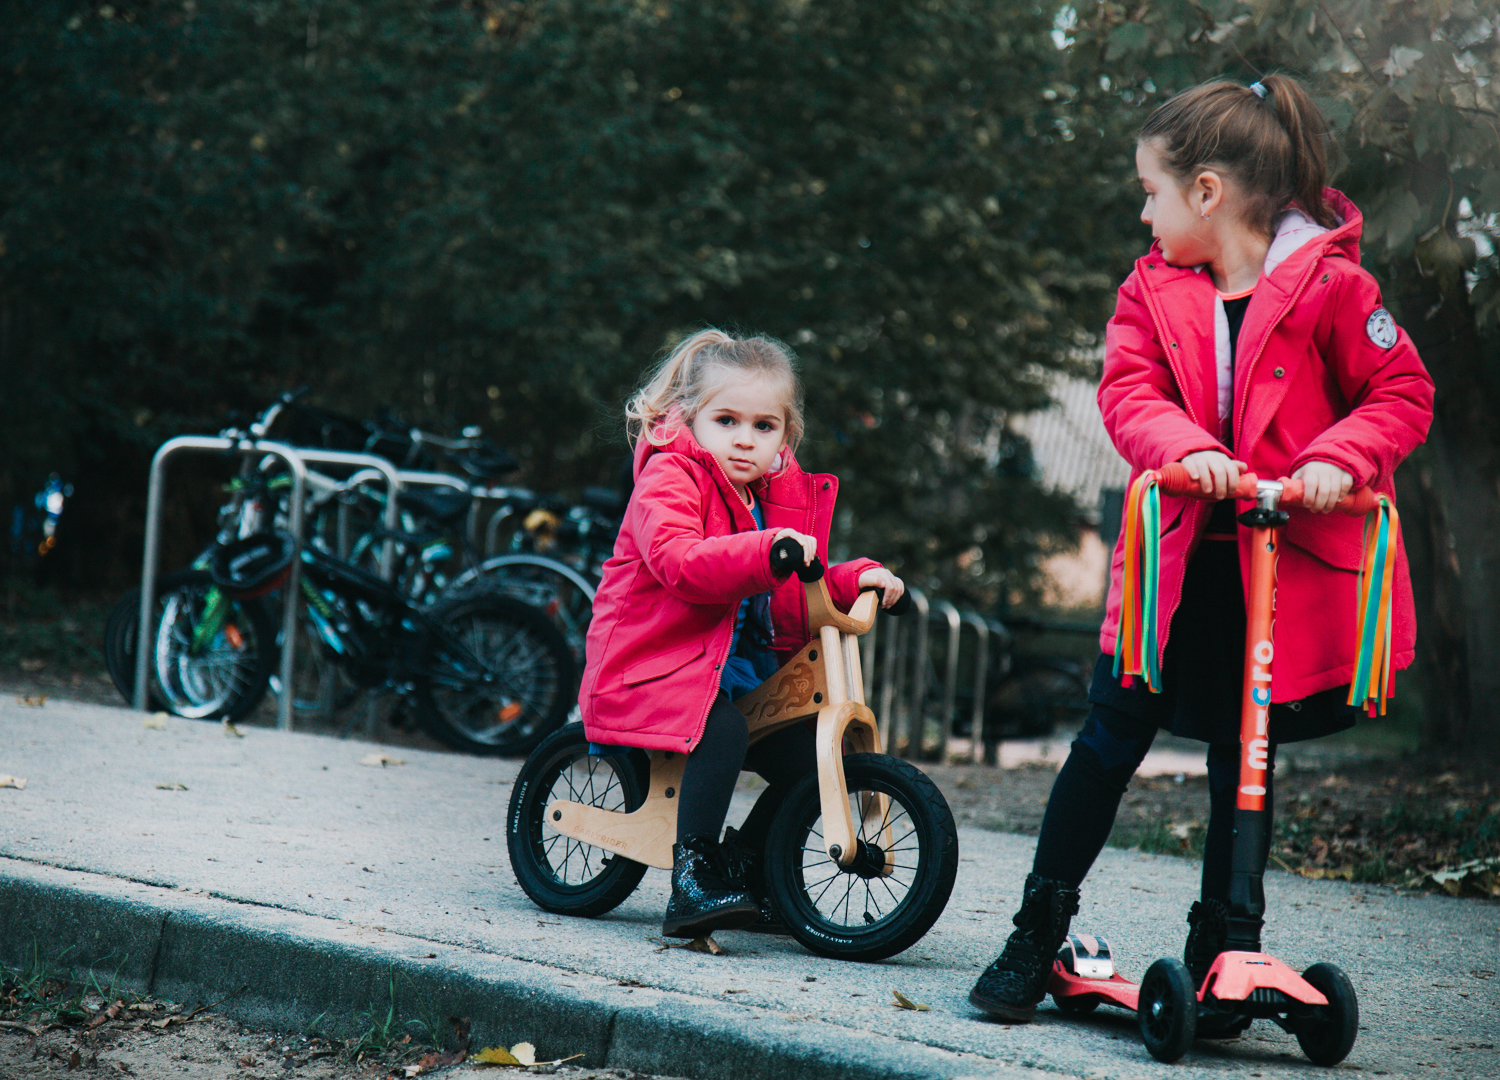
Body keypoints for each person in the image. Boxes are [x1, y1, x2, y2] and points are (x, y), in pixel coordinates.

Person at [969, 75, 1433, 1022]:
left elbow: (1401, 393)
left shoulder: (1335, 287)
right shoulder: (1151, 290)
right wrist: (1187, 450)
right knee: (1106, 740)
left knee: (1243, 757)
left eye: (1154, 191)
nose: (1146, 213)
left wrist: (1338, 461)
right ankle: (1036, 933)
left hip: (1277, 575)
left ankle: (1226, 948)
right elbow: (1128, 394)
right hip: (1170, 573)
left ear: (1208, 192)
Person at [579, 328, 905, 939]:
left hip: (729, 670)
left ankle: (750, 867)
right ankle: (694, 875)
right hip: (654, 663)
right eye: (726, 420)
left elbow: (792, 582)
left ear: (787, 435)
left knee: (812, 751)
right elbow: (682, 561)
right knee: (720, 729)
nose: (744, 440)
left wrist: (859, 577)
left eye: (764, 426)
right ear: (690, 417)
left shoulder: (771, 499)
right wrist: (766, 548)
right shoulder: (670, 478)